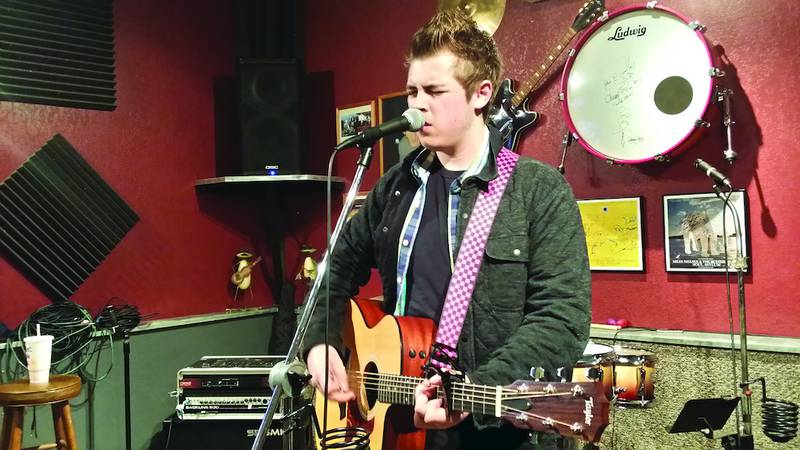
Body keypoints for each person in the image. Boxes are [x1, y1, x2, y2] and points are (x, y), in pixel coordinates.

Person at [304, 9, 591, 450]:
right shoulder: (395, 187)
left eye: (435, 91)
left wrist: (475, 389)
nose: (416, 106)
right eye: (412, 91)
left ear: (481, 94)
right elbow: (335, 271)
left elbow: (562, 319)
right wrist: (319, 343)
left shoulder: (537, 190)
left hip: (496, 431)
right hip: (397, 424)